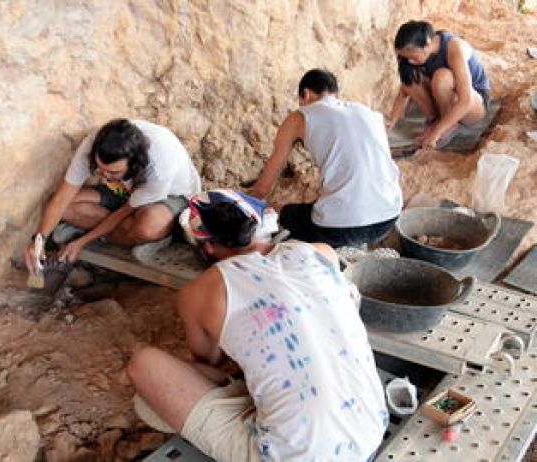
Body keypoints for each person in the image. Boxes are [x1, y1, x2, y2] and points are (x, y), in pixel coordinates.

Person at [127, 190, 388, 461]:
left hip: (294, 456)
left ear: (207, 246)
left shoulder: (200, 293)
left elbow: (209, 363)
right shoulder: (320, 253)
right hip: (370, 432)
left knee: (144, 369)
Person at [23, 118, 201, 275]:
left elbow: (125, 210)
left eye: (113, 171)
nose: (105, 175)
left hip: (170, 196)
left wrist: (81, 242)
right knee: (63, 207)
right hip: (124, 191)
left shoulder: (160, 167)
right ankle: (124, 234)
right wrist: (38, 240)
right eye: (100, 169)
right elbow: (62, 197)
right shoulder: (94, 145)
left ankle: (159, 235)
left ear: (134, 164)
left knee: (147, 225)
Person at [251, 69, 402, 248]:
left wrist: (247, 205)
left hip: (340, 229)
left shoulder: (299, 117)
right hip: (389, 217)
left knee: (276, 210)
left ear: (305, 94)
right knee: (324, 204)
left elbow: (262, 188)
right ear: (335, 94)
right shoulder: (367, 112)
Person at [388, 20, 492, 149]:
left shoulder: (454, 47)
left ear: (426, 45)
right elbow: (405, 89)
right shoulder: (422, 51)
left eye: (413, 57)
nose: (410, 61)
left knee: (442, 77)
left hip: (474, 104)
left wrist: (436, 133)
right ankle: (435, 120)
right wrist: (391, 121)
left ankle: (447, 126)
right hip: (449, 102)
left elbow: (466, 100)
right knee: (412, 81)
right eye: (406, 58)